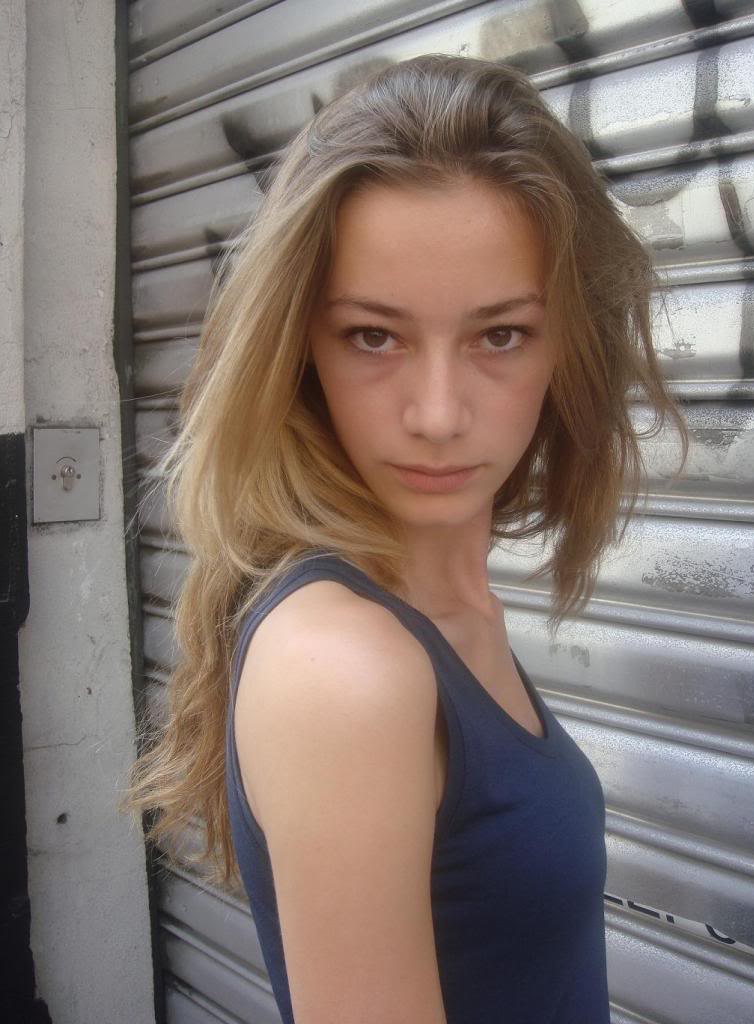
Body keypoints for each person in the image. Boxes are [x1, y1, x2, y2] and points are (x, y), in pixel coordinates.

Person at [121, 53, 687, 1024]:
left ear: (570, 347)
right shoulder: (351, 667)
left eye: (500, 335)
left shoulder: (443, 612)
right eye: (373, 336)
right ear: (299, 349)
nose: (436, 415)